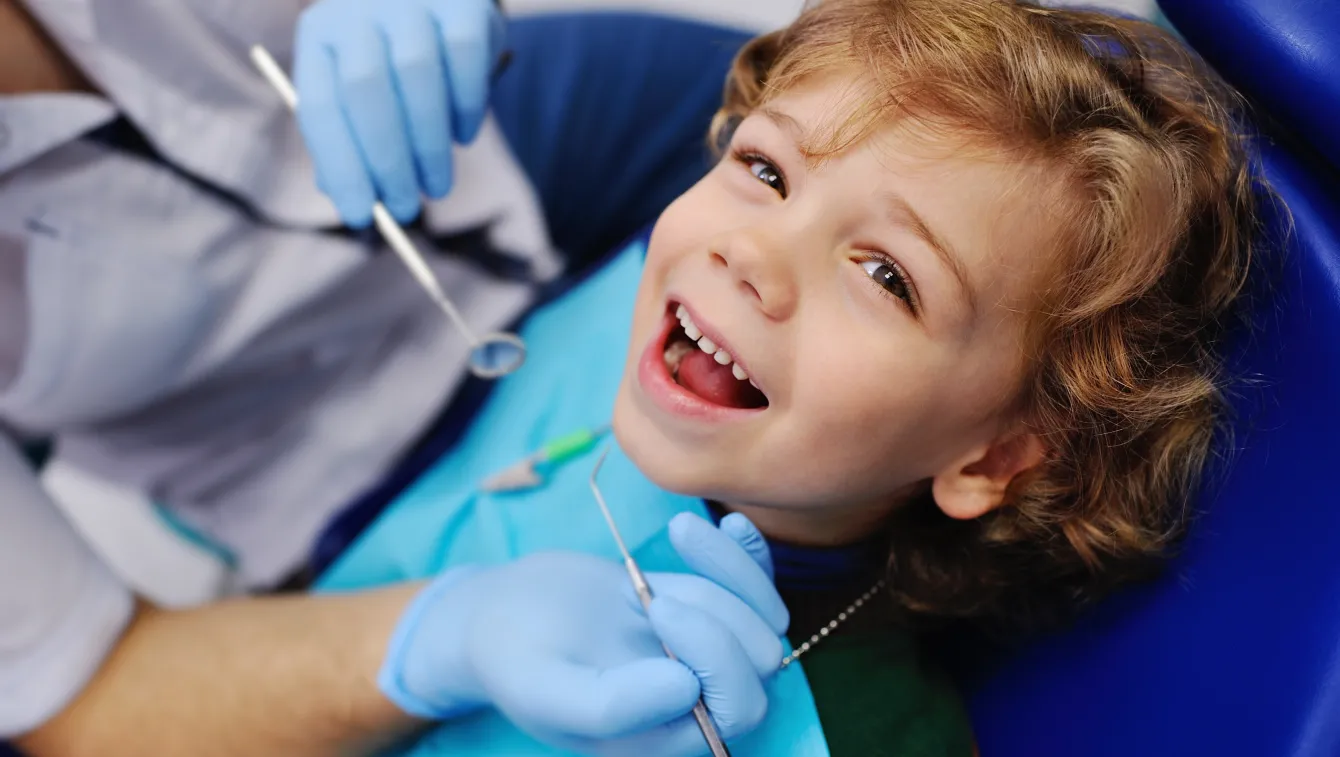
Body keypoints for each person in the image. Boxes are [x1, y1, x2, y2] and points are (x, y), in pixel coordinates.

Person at [304, 0, 1271, 754]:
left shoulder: (861, 739)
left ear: (992, 458)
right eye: (767, 171)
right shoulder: (615, 297)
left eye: (889, 276)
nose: (752, 255)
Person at [1, 0, 781, 755]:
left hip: (485, 146)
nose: (754, 265)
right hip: (316, 466)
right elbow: (90, 690)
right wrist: (447, 635)